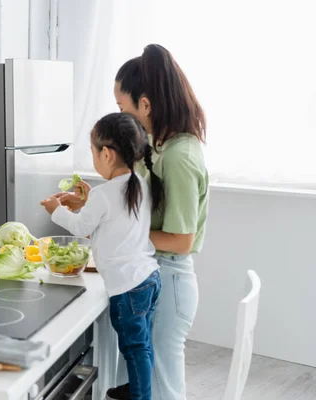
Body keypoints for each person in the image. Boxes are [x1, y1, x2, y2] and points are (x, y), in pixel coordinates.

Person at [59, 44, 209, 400]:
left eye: (122, 108)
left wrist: (117, 228)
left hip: (169, 278)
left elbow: (181, 240)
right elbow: (135, 203)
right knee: (145, 380)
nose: (122, 116)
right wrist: (96, 205)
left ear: (145, 104)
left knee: (163, 386)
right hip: (151, 272)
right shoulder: (156, 149)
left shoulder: (178, 157)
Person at [41, 112, 164, 400]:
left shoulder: (104, 194)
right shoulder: (140, 184)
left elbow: (81, 227)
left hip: (127, 287)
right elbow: (110, 220)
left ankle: (140, 396)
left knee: (135, 348)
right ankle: (137, 389)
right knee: (143, 344)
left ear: (106, 154)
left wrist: (54, 209)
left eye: (93, 152)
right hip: (148, 278)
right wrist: (87, 200)